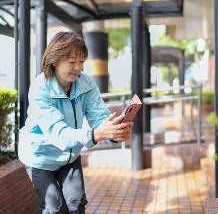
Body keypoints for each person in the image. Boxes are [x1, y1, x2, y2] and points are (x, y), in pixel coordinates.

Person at [18, 31, 133, 214]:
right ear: (54, 60)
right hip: (39, 156)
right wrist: (95, 134)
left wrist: (115, 133)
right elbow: (58, 133)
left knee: (76, 204)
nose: (77, 68)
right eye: (71, 62)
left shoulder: (86, 83)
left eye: (81, 61)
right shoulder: (40, 88)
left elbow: (99, 117)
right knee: (55, 209)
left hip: (69, 156)